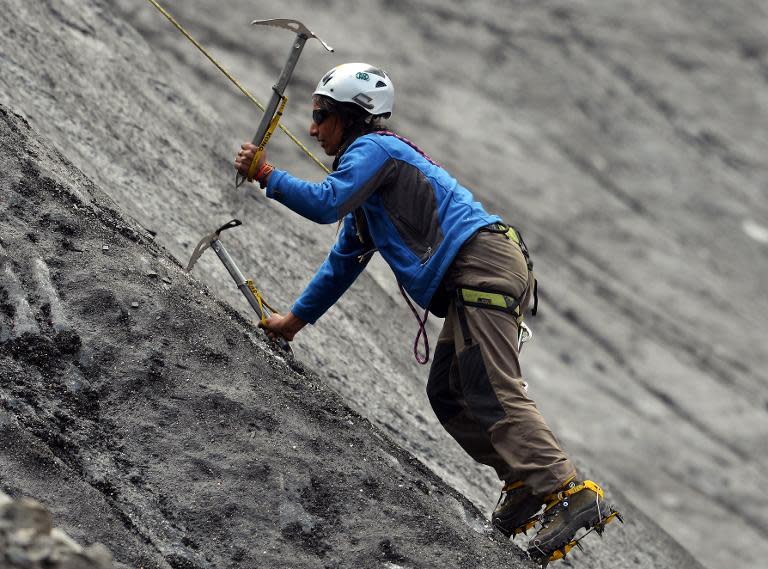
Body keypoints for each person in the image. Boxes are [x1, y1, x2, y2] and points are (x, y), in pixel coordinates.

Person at [234, 62, 615, 560]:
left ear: (351, 116)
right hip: (476, 273)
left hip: (483, 266)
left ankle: (571, 493)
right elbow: (341, 264)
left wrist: (266, 174)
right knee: (449, 393)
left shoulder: (374, 150)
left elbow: (326, 203)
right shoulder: (369, 188)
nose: (312, 128)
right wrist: (292, 322)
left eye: (322, 115)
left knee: (492, 387)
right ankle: (523, 482)